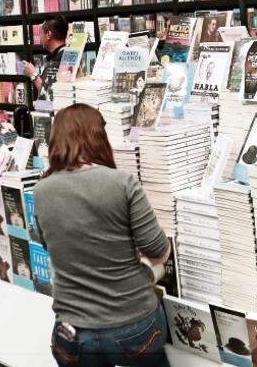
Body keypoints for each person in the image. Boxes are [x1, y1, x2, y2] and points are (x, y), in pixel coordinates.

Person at [32, 104, 171, 367]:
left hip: (72, 328)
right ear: (98, 137)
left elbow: (50, 247)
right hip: (131, 322)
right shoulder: (122, 183)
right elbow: (158, 250)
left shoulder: (41, 191)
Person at [23, 15, 69, 96]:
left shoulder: (59, 60)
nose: (40, 37)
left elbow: (48, 95)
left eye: (41, 32)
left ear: (48, 34)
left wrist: (33, 74)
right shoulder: (66, 55)